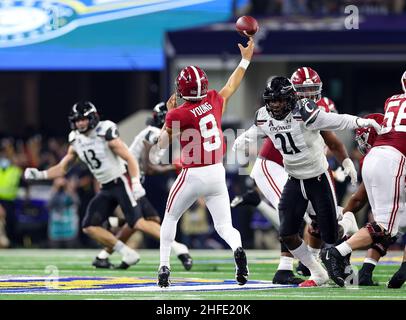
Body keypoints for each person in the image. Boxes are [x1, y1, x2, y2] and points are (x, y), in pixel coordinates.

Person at [233, 76, 380, 287]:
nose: (275, 105)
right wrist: (242, 139)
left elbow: (336, 122)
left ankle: (346, 220)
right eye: (271, 100)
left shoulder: (305, 112)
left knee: (330, 234)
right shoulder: (264, 116)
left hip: (317, 179)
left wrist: (361, 121)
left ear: (291, 98)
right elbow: (256, 131)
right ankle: (317, 272)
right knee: (287, 233)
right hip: (293, 179)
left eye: (279, 100)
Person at [156, 37, 255, 287]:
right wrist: (245, 60)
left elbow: (161, 144)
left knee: (170, 218)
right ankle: (238, 250)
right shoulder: (212, 100)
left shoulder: (178, 113)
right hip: (216, 173)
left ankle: (164, 268)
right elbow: (231, 86)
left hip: (193, 174)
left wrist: (168, 115)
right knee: (224, 226)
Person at [24, 101, 162, 268]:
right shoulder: (75, 139)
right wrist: (41, 174)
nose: (80, 123)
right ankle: (126, 252)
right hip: (105, 187)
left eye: (84, 119)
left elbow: (129, 158)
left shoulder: (105, 131)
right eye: (77, 120)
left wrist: (134, 182)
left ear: (93, 118)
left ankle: (176, 247)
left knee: (140, 221)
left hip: (121, 181)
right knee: (90, 225)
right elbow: (62, 168)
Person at [322, 71, 406, 286]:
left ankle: (367, 270)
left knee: (384, 227)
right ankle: (338, 252)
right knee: (386, 227)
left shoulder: (392, 100)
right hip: (395, 159)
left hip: (377, 157)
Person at [93, 102, 192, 270]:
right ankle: (179, 249)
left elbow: (149, 168)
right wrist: (173, 166)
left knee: (143, 221)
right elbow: (149, 167)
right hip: (127, 179)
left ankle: (102, 254)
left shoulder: (155, 133)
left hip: (130, 179)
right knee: (142, 221)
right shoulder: (153, 134)